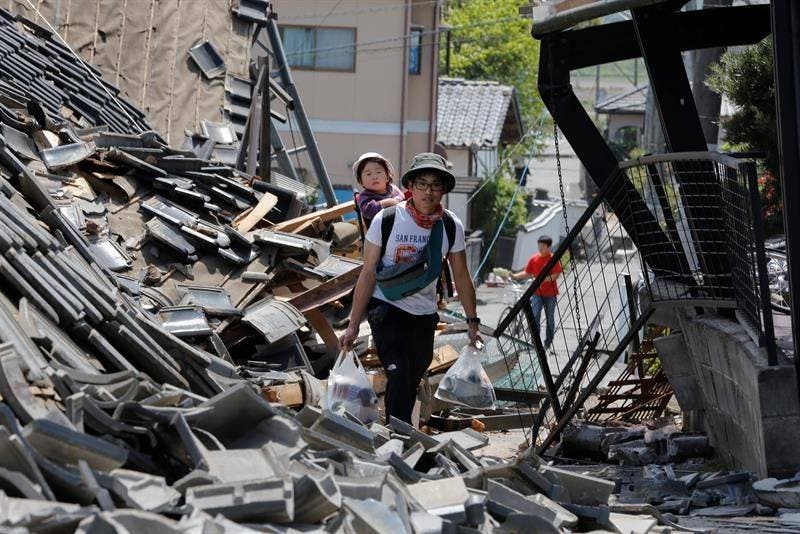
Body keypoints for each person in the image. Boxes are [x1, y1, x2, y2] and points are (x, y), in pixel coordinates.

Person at [339, 152, 482, 424]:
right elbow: (367, 273)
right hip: (386, 308)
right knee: (399, 371)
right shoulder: (387, 220)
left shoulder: (451, 225)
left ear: (444, 190)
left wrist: (472, 321)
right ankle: (398, 436)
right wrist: (353, 324)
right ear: (410, 187)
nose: (428, 192)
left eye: (435, 185)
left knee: (415, 372)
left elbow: (462, 276)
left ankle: (396, 430)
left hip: (424, 314)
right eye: (422, 184)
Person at [512, 235, 562, 348]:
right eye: (539, 245)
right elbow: (527, 273)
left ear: (549, 247)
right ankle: (536, 342)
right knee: (535, 317)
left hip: (550, 294)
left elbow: (556, 275)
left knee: (550, 319)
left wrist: (541, 278)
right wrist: (514, 276)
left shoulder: (553, 259)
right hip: (537, 294)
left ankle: (548, 342)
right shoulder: (534, 259)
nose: (540, 248)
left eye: (543, 246)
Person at [353, 152, 406, 229]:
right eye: (368, 174)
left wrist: (395, 201)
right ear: (361, 181)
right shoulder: (364, 197)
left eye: (378, 172)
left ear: (387, 177)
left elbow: (402, 197)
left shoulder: (392, 189)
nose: (374, 177)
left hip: (399, 228)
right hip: (379, 235)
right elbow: (367, 211)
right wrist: (386, 202)